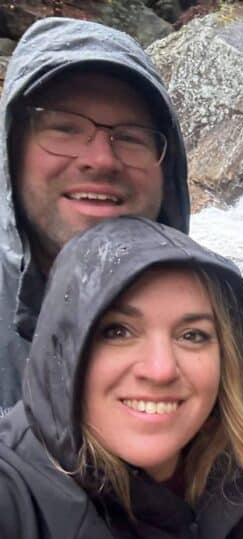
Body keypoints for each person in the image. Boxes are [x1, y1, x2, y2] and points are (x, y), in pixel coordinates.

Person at [0, 216, 243, 539]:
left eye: (192, 335)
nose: (161, 369)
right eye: (118, 331)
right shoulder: (16, 493)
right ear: (62, 348)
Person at [0, 17, 190, 415]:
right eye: (65, 129)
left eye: (130, 136)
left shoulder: (219, 306)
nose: (101, 160)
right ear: (11, 151)